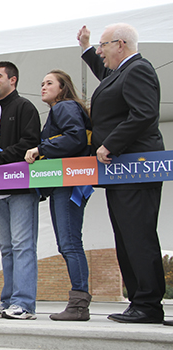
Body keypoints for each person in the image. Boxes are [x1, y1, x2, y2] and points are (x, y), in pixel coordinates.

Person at [78, 24, 167, 324]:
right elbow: (107, 77)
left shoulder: (138, 70)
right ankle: (138, 301)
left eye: (103, 46)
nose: (100, 53)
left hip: (136, 167)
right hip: (121, 172)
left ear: (120, 44)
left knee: (137, 236)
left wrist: (109, 144)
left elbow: (144, 113)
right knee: (125, 236)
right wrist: (87, 48)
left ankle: (148, 304)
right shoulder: (120, 72)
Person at [24, 70, 93, 321]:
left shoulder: (63, 107)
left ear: (63, 88)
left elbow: (74, 138)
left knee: (70, 244)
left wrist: (41, 148)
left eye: (49, 83)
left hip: (69, 184)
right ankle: (78, 303)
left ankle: (78, 304)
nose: (43, 87)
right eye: (41, 83)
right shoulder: (66, 108)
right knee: (69, 243)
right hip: (67, 183)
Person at [0, 61, 40, 320]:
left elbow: (30, 142)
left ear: (13, 80)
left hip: (21, 188)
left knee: (22, 245)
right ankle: (8, 301)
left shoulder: (25, 107)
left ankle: (24, 304)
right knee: (6, 247)